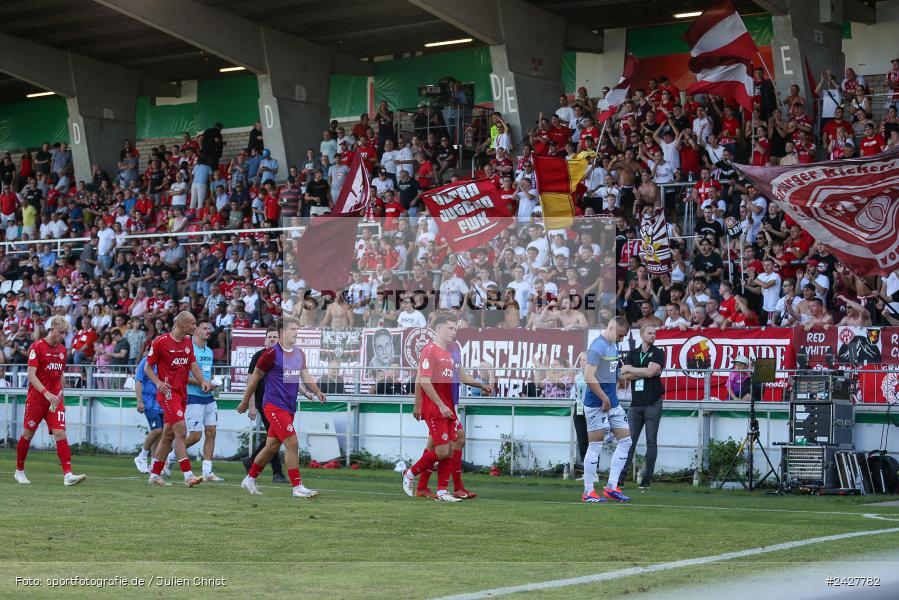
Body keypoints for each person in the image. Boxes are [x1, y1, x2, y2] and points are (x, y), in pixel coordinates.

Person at [402, 312, 492, 502]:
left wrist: (479, 384)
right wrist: (418, 403)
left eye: (455, 328)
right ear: (440, 328)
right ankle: (414, 476)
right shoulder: (431, 350)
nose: (454, 332)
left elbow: (460, 375)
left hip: (449, 404)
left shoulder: (453, 349)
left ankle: (436, 489)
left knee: (443, 445)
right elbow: (422, 378)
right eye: (451, 328)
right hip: (438, 406)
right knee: (445, 447)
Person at [238, 317, 326, 498]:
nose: (296, 332)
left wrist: (317, 391)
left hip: (288, 407)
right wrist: (246, 401)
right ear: (282, 332)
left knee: (271, 447)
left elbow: (305, 375)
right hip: (273, 406)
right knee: (292, 443)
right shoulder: (271, 353)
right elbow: (255, 378)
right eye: (293, 329)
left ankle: (249, 479)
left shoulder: (298, 353)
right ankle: (297, 487)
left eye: (297, 329)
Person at [144, 311, 215, 487]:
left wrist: (203, 382)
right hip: (168, 393)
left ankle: (154, 475)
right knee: (181, 431)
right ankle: (188, 474)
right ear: (183, 325)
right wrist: (158, 382)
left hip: (182, 393)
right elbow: (147, 367)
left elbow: (193, 366)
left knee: (168, 435)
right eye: (192, 324)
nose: (194, 327)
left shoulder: (187, 343)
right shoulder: (161, 342)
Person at [14, 315, 86, 486]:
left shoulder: (62, 350)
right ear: (52, 329)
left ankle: (68, 475)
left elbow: (60, 374)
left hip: (54, 400)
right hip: (37, 398)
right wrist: (46, 393)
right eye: (60, 332)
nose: (63, 336)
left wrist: (62, 397)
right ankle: (19, 470)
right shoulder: (37, 347)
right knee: (28, 433)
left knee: (60, 433)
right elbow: (31, 375)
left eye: (65, 333)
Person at [581, 316, 631, 503]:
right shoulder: (597, 346)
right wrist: (604, 398)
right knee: (595, 446)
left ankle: (611, 487)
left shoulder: (612, 345)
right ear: (611, 327)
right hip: (597, 404)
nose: (622, 339)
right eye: (620, 335)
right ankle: (588, 491)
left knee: (626, 441)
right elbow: (589, 377)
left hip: (611, 402)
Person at [175, 319, 223, 481]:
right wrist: (203, 383)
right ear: (195, 332)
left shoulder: (209, 351)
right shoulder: (189, 350)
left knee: (211, 432)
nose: (208, 331)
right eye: (204, 328)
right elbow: (183, 376)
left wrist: (214, 381)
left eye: (209, 328)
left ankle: (207, 471)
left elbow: (207, 374)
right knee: (195, 436)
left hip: (208, 397)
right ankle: (171, 456)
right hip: (193, 397)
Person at [620, 325, 664, 489]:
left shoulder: (658, 352)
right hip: (636, 404)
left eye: (655, 333)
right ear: (641, 334)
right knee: (629, 441)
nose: (653, 335)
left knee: (651, 441)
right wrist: (643, 371)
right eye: (650, 333)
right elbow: (624, 374)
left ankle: (646, 480)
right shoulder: (633, 353)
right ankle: (621, 478)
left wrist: (634, 370)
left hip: (653, 402)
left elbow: (650, 373)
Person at [243, 327, 288, 483]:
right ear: (265, 340)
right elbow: (250, 382)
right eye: (269, 336)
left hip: (280, 404)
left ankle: (252, 460)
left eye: (275, 336)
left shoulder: (283, 357)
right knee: (275, 435)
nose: (272, 339)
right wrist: (251, 405)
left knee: (275, 436)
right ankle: (277, 472)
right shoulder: (259, 356)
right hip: (264, 403)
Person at [133, 350, 163, 474]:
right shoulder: (146, 361)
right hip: (149, 401)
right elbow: (138, 380)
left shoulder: (165, 362)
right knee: (157, 430)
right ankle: (142, 457)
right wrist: (139, 401)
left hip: (162, 402)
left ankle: (154, 464)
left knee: (160, 434)